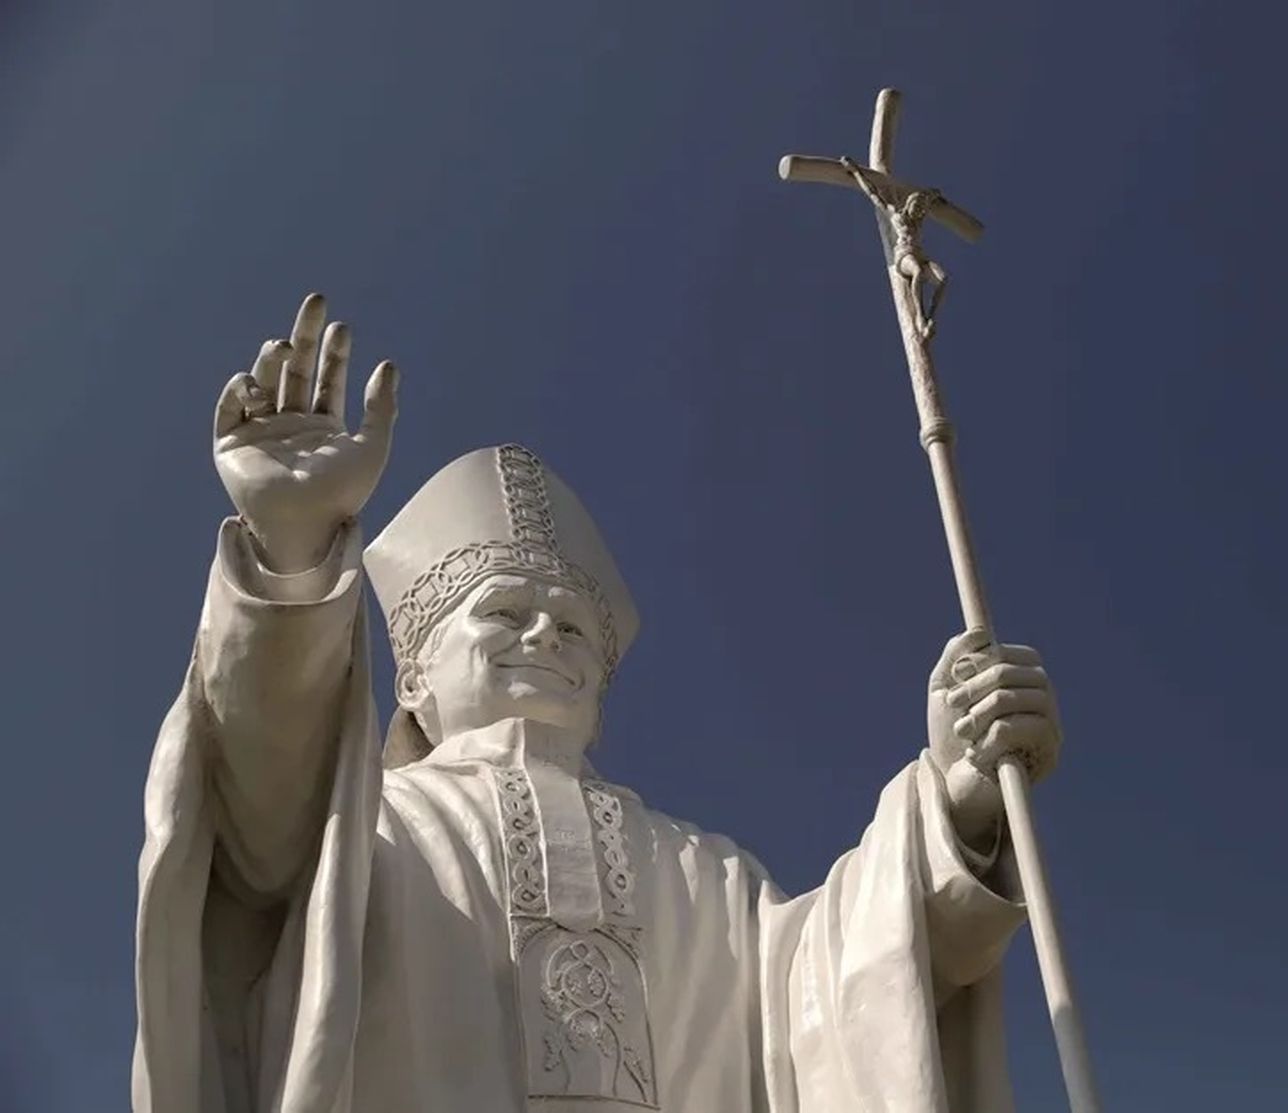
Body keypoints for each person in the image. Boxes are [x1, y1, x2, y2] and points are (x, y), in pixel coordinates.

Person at [133, 294, 1064, 1113]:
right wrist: (291, 561)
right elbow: (261, 800)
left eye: (572, 627)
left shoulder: (710, 874)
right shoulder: (365, 832)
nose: (544, 635)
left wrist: (960, 798)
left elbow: (839, 992)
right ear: (413, 677)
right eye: (505, 611)